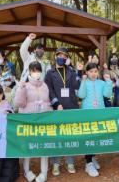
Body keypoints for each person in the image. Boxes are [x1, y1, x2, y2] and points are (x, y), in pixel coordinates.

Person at [45, 47, 82, 176]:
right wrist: (56, 103)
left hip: (71, 107)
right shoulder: (50, 73)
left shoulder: (71, 71)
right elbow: (49, 89)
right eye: (59, 55)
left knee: (70, 135)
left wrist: (79, 71)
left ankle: (70, 161)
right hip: (57, 109)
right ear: (55, 56)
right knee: (56, 137)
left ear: (67, 58)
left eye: (64, 56)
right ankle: (55, 163)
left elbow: (77, 87)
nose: (62, 58)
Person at [14, 61, 52, 182]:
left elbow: (49, 102)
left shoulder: (45, 86)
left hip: (42, 121)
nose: (36, 73)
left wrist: (46, 109)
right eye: (33, 70)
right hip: (28, 122)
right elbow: (18, 104)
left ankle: (44, 172)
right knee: (27, 147)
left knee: (44, 147)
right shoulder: (24, 85)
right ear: (29, 72)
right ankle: (27, 171)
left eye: (38, 70)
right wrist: (20, 88)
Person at [77, 63, 112, 177]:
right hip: (87, 114)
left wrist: (108, 82)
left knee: (96, 136)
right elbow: (81, 95)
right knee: (89, 137)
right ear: (87, 72)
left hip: (99, 114)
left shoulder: (101, 83)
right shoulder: (85, 83)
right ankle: (88, 163)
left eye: (95, 71)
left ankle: (92, 157)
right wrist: (82, 81)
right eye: (91, 71)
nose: (93, 74)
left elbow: (107, 94)